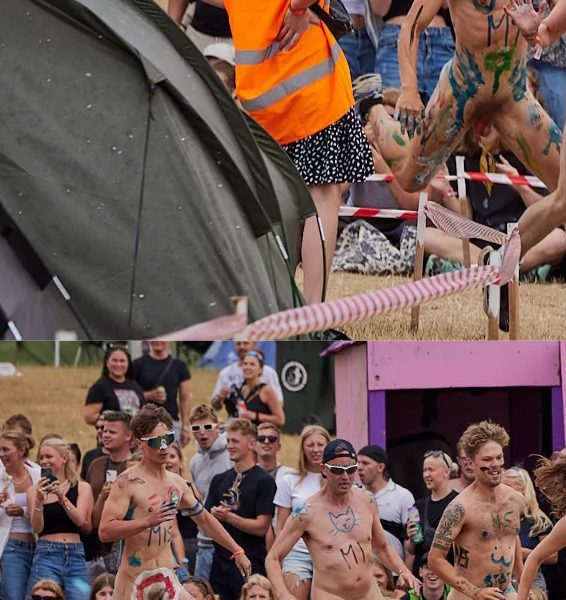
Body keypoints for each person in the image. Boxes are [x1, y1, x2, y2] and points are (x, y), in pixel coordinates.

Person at [368, 0, 563, 273]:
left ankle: (501, 266)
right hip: (463, 90)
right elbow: (410, 27)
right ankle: (373, 107)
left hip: (512, 94)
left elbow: (552, 26)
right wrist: (409, 89)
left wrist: (539, 32)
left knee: (564, 190)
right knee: (411, 179)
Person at [202, 0, 374, 304]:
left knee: (279, 206)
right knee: (322, 198)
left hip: (262, 98)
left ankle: (276, 303)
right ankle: (312, 311)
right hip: (309, 85)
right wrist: (296, 9)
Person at [98, 404, 251, 599]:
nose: (163, 447)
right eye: (156, 441)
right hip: (133, 583)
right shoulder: (127, 482)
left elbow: (205, 519)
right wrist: (146, 521)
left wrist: (237, 550)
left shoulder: (176, 482)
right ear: (139, 442)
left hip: (166, 580)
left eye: (168, 439)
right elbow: (105, 531)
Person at [266, 439, 421, 600]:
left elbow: (381, 548)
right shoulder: (306, 512)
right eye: (338, 470)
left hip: (369, 593)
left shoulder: (367, 500)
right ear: (324, 469)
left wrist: (403, 570)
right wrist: (283, 593)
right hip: (331, 595)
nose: (345, 476)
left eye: (351, 469)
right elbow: (273, 558)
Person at [428, 421, 524, 599]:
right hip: (468, 595)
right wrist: (474, 592)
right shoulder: (459, 508)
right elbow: (435, 560)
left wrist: (524, 585)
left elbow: (512, 539)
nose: (495, 464)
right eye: (487, 459)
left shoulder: (515, 499)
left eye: (499, 457)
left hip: (505, 593)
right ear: (470, 463)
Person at [205, 419, 276, 600]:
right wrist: (213, 517)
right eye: (228, 441)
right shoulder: (219, 479)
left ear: (252, 444)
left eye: (235, 441)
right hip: (219, 565)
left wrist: (229, 517)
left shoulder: (264, 481)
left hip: (250, 564)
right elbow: (205, 523)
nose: (230, 446)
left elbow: (262, 527)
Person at [26, 437, 94, 600]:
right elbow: (37, 528)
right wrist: (38, 501)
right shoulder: (33, 490)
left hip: (75, 554)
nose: (44, 461)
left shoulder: (82, 487)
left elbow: (80, 520)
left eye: (49, 456)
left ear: (64, 458)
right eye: (41, 457)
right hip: (46, 553)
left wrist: (62, 498)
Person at [272, 425, 330, 600]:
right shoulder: (289, 480)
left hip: (329, 552)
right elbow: (281, 525)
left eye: (320, 445)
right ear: (302, 449)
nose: (315, 449)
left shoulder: (336, 480)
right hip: (296, 553)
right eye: (310, 445)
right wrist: (279, 558)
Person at [371, 0, 454, 104]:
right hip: (396, 36)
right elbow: (379, 8)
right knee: (396, 106)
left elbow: (447, 4)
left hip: (440, 40)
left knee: (447, 109)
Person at [85, 411, 133, 579]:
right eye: (104, 431)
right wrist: (102, 497)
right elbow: (90, 516)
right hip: (97, 547)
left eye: (112, 432)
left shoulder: (137, 466)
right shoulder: (96, 465)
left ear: (128, 436)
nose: (105, 435)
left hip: (129, 548)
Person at [188, 404, 232, 579]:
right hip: (204, 540)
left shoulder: (231, 456)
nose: (202, 433)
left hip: (229, 540)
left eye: (207, 427)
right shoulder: (195, 462)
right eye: (196, 428)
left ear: (218, 427)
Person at [0, 430, 41, 600]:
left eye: (6, 449)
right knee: (14, 596)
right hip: (12, 547)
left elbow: (45, 509)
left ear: (21, 450)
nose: (1, 454)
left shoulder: (37, 474)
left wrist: (22, 511)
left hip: (40, 547)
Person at [502, 467, 555, 596]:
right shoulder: (497, 517)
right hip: (501, 580)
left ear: (523, 488)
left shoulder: (539, 521)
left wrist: (525, 553)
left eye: (508, 487)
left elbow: (553, 557)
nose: (503, 492)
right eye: (500, 487)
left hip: (532, 580)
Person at [358, 444, 415, 560]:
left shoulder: (404, 496)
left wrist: (405, 570)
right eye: (358, 463)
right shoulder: (354, 495)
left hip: (392, 568)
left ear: (380, 467)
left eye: (365, 463)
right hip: (361, 568)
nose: (359, 467)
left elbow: (411, 540)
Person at [405, 451, 458, 574]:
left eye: (431, 470)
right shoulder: (418, 506)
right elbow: (411, 550)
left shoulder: (459, 502)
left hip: (450, 573)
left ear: (446, 472)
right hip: (423, 574)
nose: (426, 475)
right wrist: (412, 539)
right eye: (424, 470)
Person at [132, 341, 193, 446]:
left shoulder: (179, 366)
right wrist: (147, 395)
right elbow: (129, 394)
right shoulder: (137, 364)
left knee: (170, 455)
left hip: (171, 423)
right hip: (144, 423)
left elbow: (185, 398)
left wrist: (186, 427)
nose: (158, 341)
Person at [211, 342, 283, 408]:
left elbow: (279, 404)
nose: (241, 347)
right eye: (238, 344)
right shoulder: (226, 373)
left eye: (246, 343)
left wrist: (255, 414)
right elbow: (215, 406)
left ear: (255, 345)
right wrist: (220, 396)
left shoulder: (269, 372)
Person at [84, 347, 144, 426]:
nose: (118, 364)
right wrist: (112, 420)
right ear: (107, 363)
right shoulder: (99, 387)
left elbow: (143, 411)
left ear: (128, 364)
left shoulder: (135, 386)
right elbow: (89, 417)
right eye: (114, 360)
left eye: (122, 361)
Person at [225, 351, 285, 428]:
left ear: (260, 370)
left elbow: (280, 420)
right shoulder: (242, 389)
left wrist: (256, 416)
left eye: (252, 364)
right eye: (245, 364)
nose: (247, 367)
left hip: (261, 433)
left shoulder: (266, 390)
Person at [165, 442, 199, 575]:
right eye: (165, 457)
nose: (168, 461)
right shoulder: (158, 488)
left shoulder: (189, 486)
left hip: (190, 543)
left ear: (180, 462)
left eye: (172, 456)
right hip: (166, 542)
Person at [80, 414, 107, 481]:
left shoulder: (128, 460)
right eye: (97, 428)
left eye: (103, 428)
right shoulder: (89, 456)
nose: (99, 431)